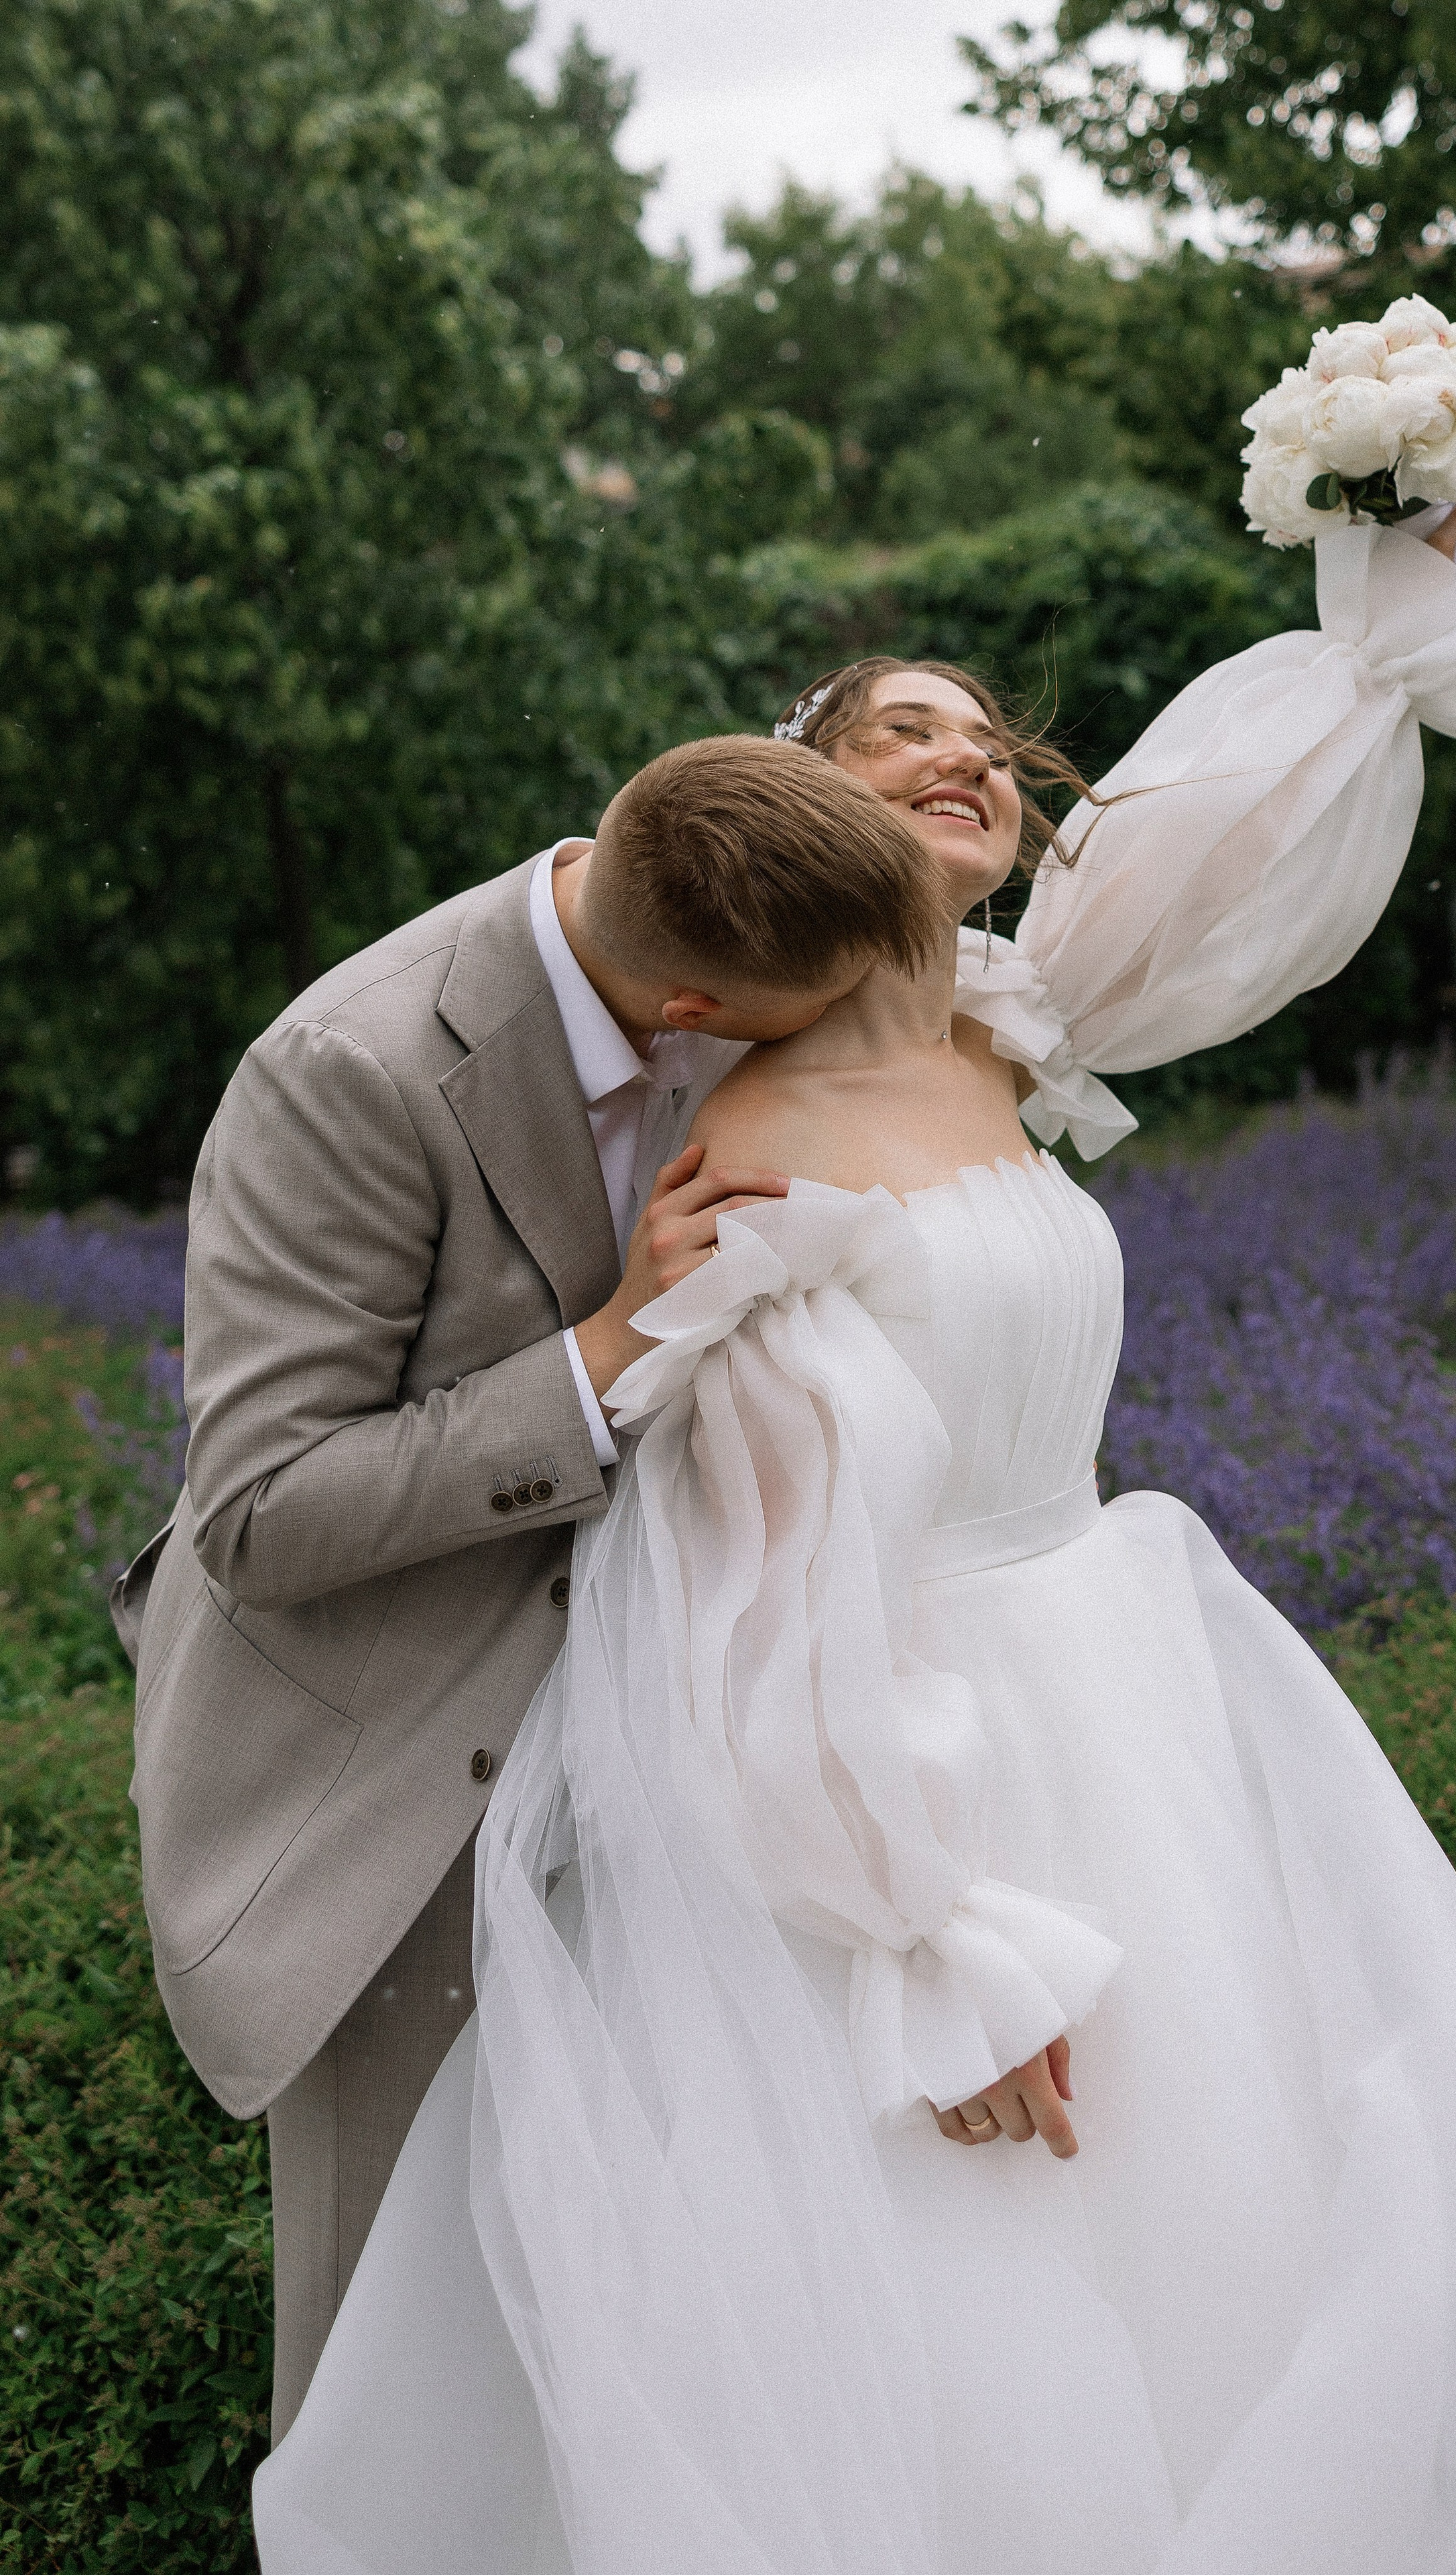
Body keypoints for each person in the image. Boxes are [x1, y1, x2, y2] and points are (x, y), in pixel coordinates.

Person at [251, 508, 1456, 2574]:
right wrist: (929, 1948)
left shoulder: (1009, 1033)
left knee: (1258, 2242)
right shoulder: (744, 1166)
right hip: (922, 1789)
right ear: (788, 819)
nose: (967, 760)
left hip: (1138, 1719)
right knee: (995, 2368)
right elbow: (749, 1604)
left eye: (989, 742)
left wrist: (1392, 602)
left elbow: (1239, 851)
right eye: (898, 734)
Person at [115, 732, 947, 2441]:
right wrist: (615, 1340)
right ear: (701, 1015)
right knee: (394, 2378)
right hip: (399, 1775)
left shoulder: (719, 885)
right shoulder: (346, 1070)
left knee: (646, 2335)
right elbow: (261, 1510)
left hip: (668, 1762)